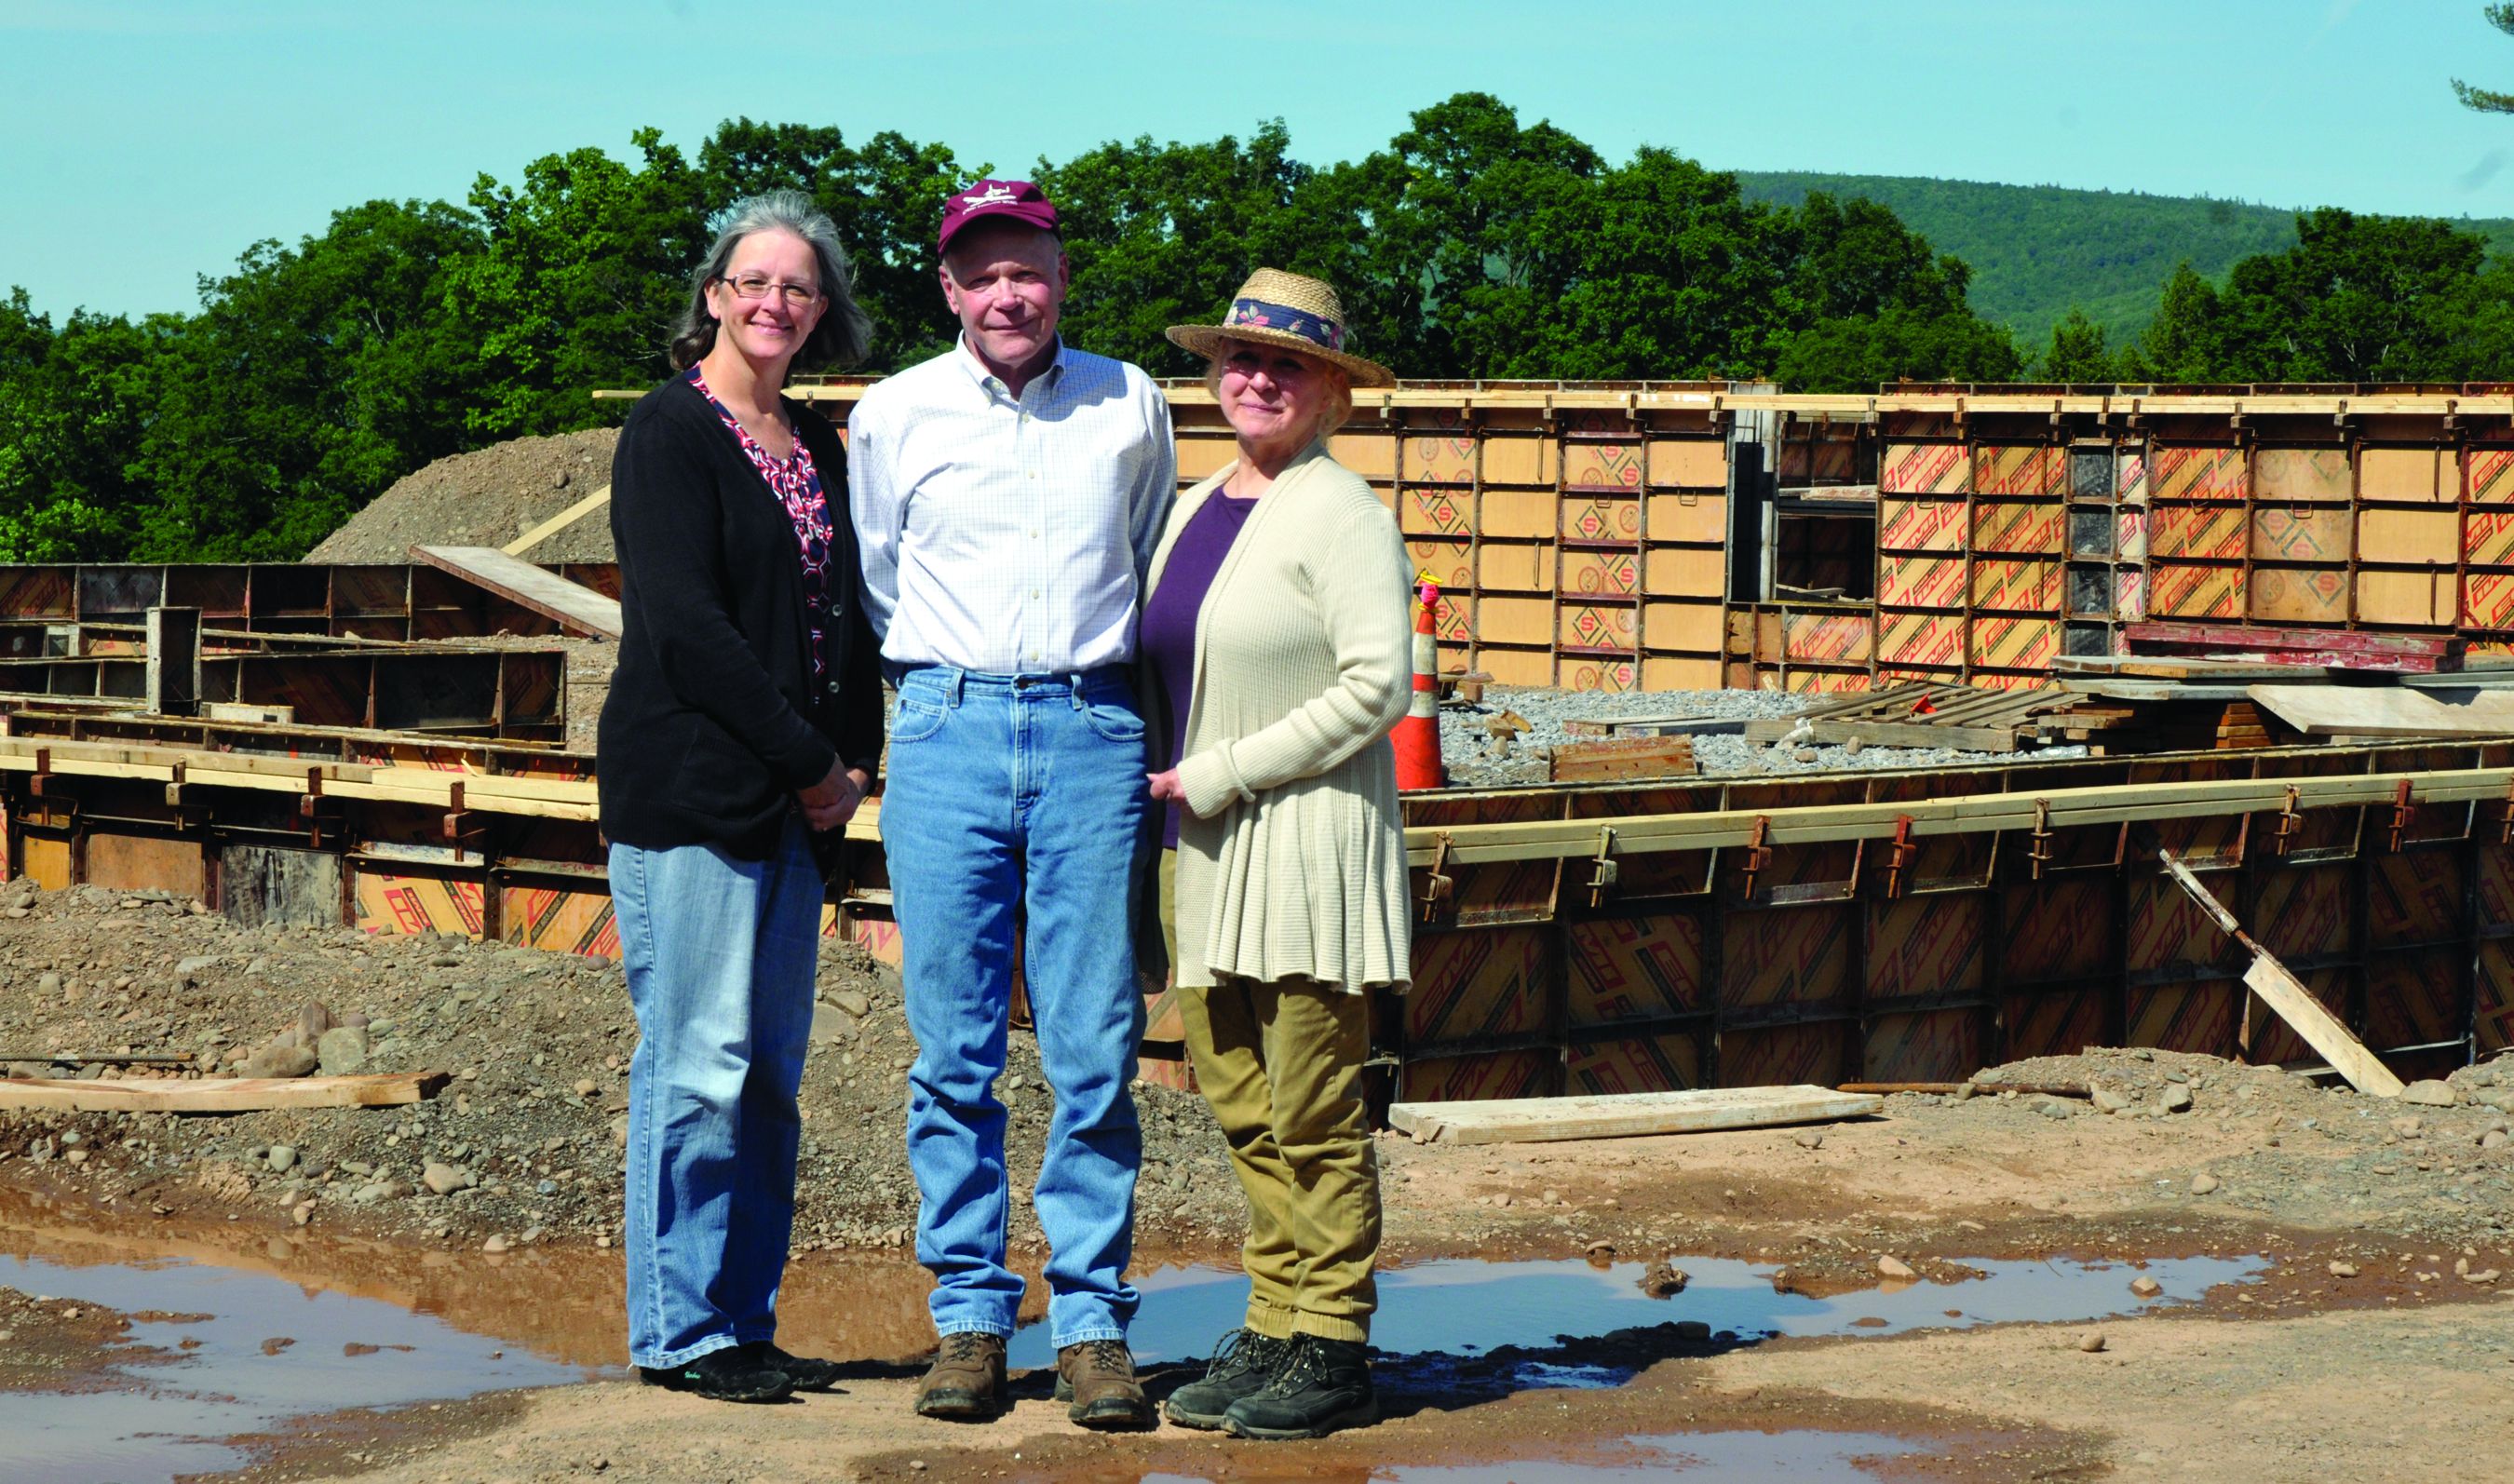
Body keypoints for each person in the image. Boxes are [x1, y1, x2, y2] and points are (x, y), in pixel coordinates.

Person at [846, 179, 1176, 1429]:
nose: (1005, 294)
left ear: (1060, 273)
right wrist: (955, 685)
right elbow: (883, 579)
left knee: (1095, 1041)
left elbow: (1143, 554)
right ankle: (973, 1317)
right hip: (947, 726)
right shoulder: (893, 415)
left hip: (1094, 725)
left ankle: (1092, 1324)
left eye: (1024, 268)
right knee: (955, 1047)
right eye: (979, 273)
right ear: (946, 289)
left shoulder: (1128, 401)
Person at [598, 189, 884, 1404]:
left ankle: (744, 1315)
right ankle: (679, 1329)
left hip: (788, 812)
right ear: (714, 293)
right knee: (697, 1064)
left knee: (768, 1075)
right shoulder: (671, 435)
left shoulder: (815, 444)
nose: (775, 302)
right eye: (754, 281)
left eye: (799, 287)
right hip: (698, 799)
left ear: (822, 311)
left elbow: (848, 616)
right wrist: (812, 762)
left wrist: (852, 756)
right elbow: (691, 631)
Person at [1140, 269, 1413, 1440]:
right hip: (1201, 850)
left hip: (1300, 842)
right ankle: (1276, 1312)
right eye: (1241, 358)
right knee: (1242, 1103)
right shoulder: (1200, 503)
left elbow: (1378, 683)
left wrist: (1226, 770)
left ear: (1331, 391)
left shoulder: (1340, 512)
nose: (1256, 377)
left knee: (1311, 1104)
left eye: (1286, 364)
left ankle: (1334, 1341)